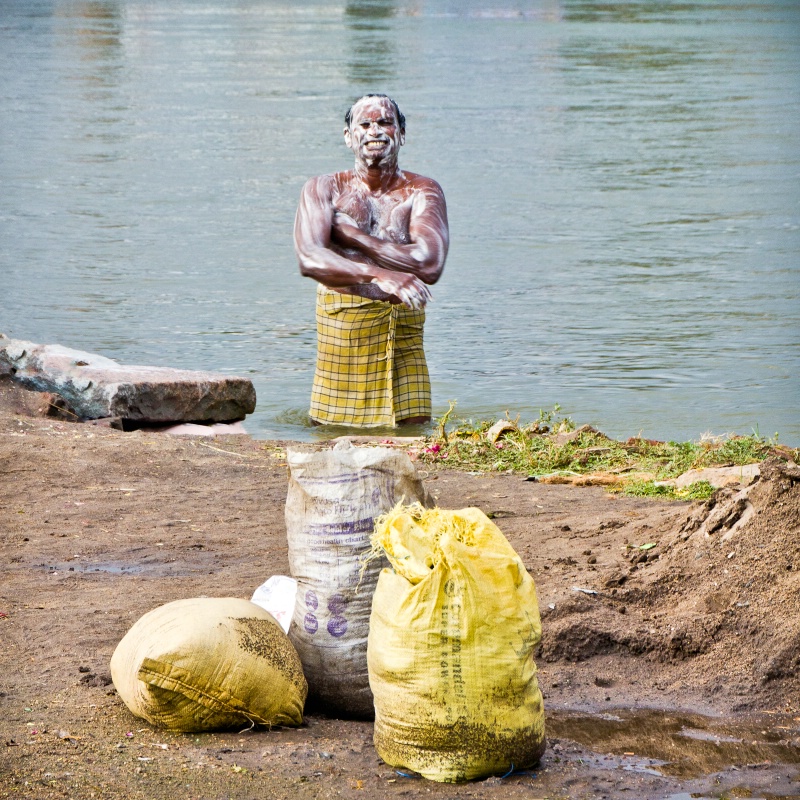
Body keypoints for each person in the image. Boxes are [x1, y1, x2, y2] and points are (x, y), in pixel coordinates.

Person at [294, 94, 449, 427]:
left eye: (385, 123)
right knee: (330, 433)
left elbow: (429, 264)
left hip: (403, 331)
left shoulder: (421, 191)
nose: (375, 131)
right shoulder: (324, 189)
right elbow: (310, 258)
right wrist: (381, 274)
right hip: (343, 327)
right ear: (349, 137)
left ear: (402, 134)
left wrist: (354, 237)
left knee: (414, 431)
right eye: (364, 124)